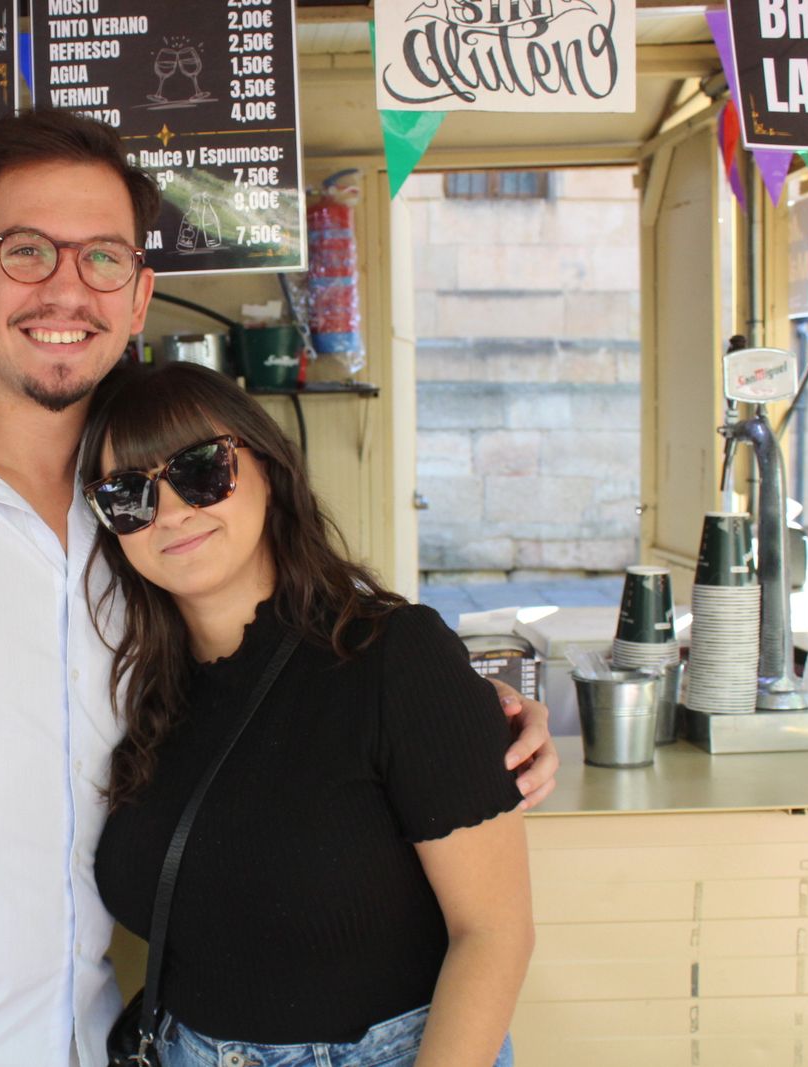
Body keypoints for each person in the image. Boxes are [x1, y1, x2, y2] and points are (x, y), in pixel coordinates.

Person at [0, 109, 555, 1067]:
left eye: (102, 260)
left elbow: (290, 693)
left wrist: (471, 716)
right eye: (28, 250)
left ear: (138, 299)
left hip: (93, 1042)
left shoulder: (140, 519)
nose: (65, 288)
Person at [81, 360, 534, 1067]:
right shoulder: (138, 694)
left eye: (201, 469)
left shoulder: (394, 656)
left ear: (269, 467)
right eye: (127, 494)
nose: (170, 511)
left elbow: (494, 931)